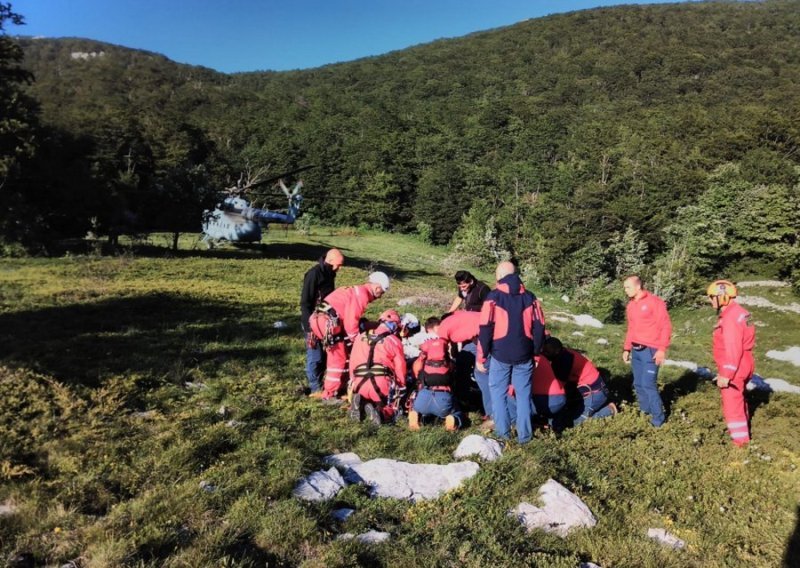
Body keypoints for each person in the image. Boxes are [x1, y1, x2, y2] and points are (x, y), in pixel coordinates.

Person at [477, 261, 545, 444]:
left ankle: (503, 435)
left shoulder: (493, 297)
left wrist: (482, 356)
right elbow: (540, 328)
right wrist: (536, 354)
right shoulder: (531, 298)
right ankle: (525, 438)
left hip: (500, 354)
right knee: (523, 396)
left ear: (499, 276)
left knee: (498, 394)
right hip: (525, 355)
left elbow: (484, 328)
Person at [309, 271, 390, 400]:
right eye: (382, 292)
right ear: (377, 287)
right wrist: (359, 343)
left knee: (341, 353)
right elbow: (351, 324)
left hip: (319, 319)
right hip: (328, 323)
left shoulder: (355, 290)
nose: (380, 297)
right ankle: (329, 395)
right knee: (338, 359)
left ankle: (338, 388)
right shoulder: (362, 295)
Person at [707, 280, 756, 447]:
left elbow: (733, 348)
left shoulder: (730, 318)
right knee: (740, 400)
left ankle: (741, 444)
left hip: (735, 364)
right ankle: (744, 432)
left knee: (732, 405)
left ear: (723, 297)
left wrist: (726, 374)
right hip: (746, 361)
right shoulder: (742, 313)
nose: (710, 300)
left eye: (712, 297)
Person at [622, 275, 671, 427]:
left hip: (651, 350)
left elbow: (666, 326)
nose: (625, 290)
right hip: (636, 350)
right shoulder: (631, 305)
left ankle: (658, 419)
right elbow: (631, 328)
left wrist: (662, 349)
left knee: (648, 384)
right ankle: (645, 412)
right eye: (624, 288)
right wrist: (626, 348)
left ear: (638, 287)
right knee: (638, 384)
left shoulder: (654, 302)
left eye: (628, 287)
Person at [542, 337, 617, 428]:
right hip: (586, 390)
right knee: (568, 415)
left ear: (557, 351)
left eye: (547, 352)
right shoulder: (562, 353)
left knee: (575, 423)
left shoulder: (564, 360)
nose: (544, 354)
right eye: (543, 351)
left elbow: (558, 390)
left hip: (595, 393)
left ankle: (608, 410)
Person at [348, 309, 407, 425]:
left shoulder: (360, 337)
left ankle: (363, 404)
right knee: (391, 406)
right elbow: (400, 366)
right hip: (381, 383)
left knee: (367, 395)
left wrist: (353, 380)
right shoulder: (394, 340)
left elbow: (352, 361)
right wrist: (402, 385)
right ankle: (381, 413)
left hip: (360, 383)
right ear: (395, 325)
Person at [299, 249, 344, 394]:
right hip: (312, 323)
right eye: (338, 265)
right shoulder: (313, 274)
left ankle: (322, 384)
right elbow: (305, 303)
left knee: (325, 356)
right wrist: (309, 328)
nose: (340, 268)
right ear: (330, 261)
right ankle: (314, 388)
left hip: (325, 322)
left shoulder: (330, 274)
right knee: (315, 356)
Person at [408, 318, 464, 431]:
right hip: (443, 400)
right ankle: (453, 419)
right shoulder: (448, 363)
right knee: (457, 410)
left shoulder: (422, 357)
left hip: (423, 398)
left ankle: (415, 414)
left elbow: (416, 372)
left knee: (416, 406)